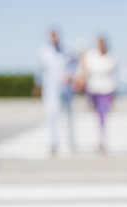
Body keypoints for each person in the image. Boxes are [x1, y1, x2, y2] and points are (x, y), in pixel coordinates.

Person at [36, 28, 76, 156]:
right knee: (51, 116)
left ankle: (71, 141)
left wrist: (71, 75)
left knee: (69, 116)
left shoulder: (67, 49)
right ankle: (53, 143)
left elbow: (75, 64)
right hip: (50, 89)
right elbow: (40, 71)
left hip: (66, 89)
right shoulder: (43, 52)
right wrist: (38, 86)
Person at [77, 36, 118, 153]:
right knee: (96, 115)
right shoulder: (91, 55)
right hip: (93, 89)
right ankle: (98, 137)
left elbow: (112, 74)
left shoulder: (112, 56)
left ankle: (101, 140)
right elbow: (85, 70)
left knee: (103, 115)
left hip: (106, 90)